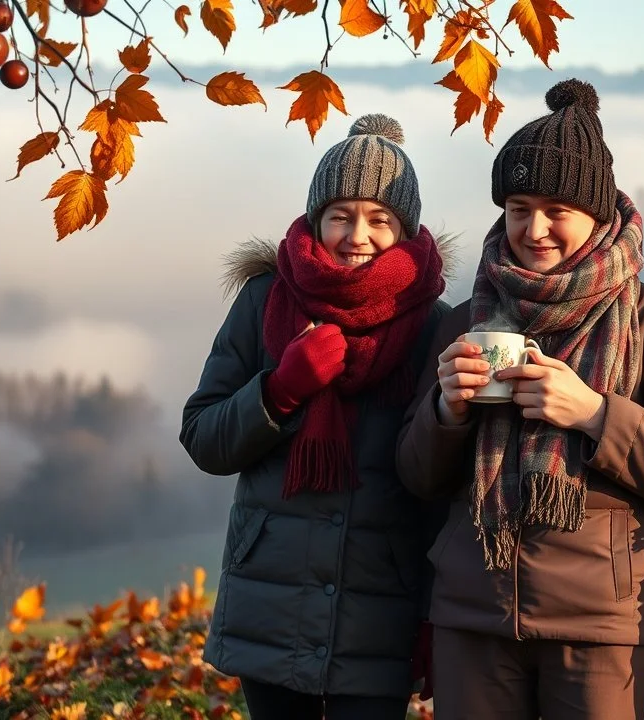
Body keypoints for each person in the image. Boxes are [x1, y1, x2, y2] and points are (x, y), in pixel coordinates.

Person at [395, 79, 644, 720]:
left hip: (601, 623)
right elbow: (415, 476)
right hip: (472, 614)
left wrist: (594, 413)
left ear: (598, 213)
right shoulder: (465, 321)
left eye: (557, 208)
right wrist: (447, 411)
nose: (534, 228)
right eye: (519, 206)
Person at [180, 114, 450, 720]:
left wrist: (434, 613)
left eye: (380, 220)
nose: (358, 235)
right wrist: (277, 392)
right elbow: (203, 437)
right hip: (268, 608)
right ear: (316, 219)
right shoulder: (263, 300)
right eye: (341, 215)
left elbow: (442, 487)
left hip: (381, 613)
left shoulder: (435, 324)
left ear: (405, 228)